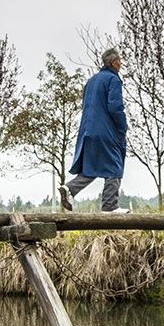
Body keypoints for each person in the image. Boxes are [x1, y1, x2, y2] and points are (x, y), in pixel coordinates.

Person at [61, 48, 126, 212]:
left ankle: (70, 189)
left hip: (87, 131)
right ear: (113, 62)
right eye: (119, 61)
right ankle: (110, 206)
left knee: (92, 167)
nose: (121, 64)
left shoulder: (91, 81)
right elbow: (115, 107)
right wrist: (122, 127)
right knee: (115, 164)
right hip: (106, 132)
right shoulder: (113, 80)